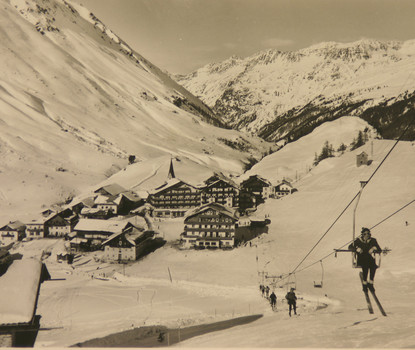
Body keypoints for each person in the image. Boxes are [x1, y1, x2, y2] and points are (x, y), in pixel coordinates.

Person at [348, 227, 382, 292]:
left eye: (368, 234)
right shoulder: (358, 240)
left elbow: (379, 249)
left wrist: (373, 248)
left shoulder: (373, 240)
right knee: (365, 265)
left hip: (369, 258)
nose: (367, 235)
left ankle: (371, 283)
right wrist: (356, 249)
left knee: (373, 266)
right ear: (362, 234)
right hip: (361, 258)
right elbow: (350, 247)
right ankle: (365, 283)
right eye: (365, 234)